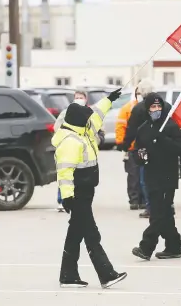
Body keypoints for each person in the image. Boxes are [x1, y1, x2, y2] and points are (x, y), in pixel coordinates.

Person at [52, 88, 128, 288]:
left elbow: (98, 113)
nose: (90, 119)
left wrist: (110, 99)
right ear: (78, 120)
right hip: (77, 195)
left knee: (76, 232)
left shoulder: (83, 128)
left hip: (86, 192)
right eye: (86, 117)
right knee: (91, 233)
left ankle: (68, 276)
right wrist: (67, 198)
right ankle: (107, 273)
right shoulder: (70, 141)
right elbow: (65, 172)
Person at [131, 93, 181, 260]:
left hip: (167, 177)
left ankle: (146, 247)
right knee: (164, 213)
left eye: (158, 107)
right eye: (153, 107)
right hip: (151, 176)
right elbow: (137, 151)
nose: (156, 110)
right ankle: (174, 246)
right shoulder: (143, 129)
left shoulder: (170, 126)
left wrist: (163, 140)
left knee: (157, 213)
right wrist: (139, 157)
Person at [121, 79, 173, 218]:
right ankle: (168, 206)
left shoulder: (138, 108)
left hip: (144, 149)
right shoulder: (166, 106)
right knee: (165, 178)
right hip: (165, 148)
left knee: (146, 179)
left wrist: (125, 145)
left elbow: (131, 130)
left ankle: (151, 208)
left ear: (141, 93)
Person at [54, 90, 105, 212]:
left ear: (86, 99)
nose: (79, 99)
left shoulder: (89, 113)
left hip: (85, 158)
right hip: (73, 148)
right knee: (67, 174)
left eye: (81, 97)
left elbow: (97, 124)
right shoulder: (67, 112)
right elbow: (57, 127)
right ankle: (62, 199)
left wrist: (98, 139)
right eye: (77, 97)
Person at [116, 85, 146, 213]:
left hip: (144, 148)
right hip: (132, 148)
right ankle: (134, 200)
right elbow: (120, 126)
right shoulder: (126, 109)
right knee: (133, 175)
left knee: (143, 175)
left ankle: (144, 200)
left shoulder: (147, 107)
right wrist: (121, 143)